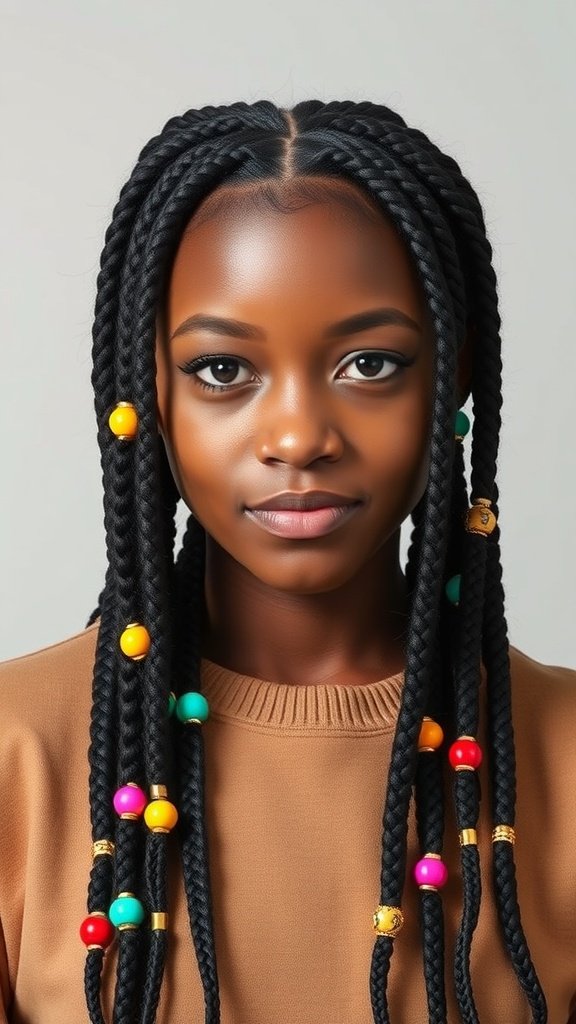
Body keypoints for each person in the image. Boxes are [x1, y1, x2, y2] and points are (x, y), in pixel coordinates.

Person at [0, 98, 574, 1024]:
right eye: (223, 371)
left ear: (452, 375)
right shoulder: (17, 754)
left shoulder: (563, 756)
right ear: (145, 389)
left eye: (371, 364)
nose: (299, 436)